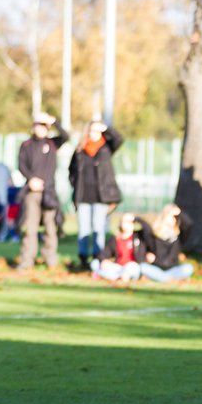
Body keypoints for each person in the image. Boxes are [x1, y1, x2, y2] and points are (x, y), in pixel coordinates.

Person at [69, 120, 124, 271]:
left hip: (101, 196)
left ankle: (98, 257)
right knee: (84, 229)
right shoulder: (80, 149)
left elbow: (119, 139)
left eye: (97, 131)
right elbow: (71, 170)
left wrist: (106, 128)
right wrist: (75, 184)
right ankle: (83, 259)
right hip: (83, 196)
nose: (94, 134)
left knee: (98, 228)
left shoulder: (106, 147)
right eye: (92, 131)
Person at [16, 112, 69, 271]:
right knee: (30, 228)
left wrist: (53, 121)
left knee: (50, 228)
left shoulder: (53, 144)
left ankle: (50, 260)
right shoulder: (26, 145)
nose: (41, 129)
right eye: (38, 125)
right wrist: (31, 179)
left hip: (49, 193)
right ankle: (27, 260)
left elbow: (66, 135)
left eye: (44, 126)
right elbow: (21, 165)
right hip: (32, 192)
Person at [139, 204, 195, 284]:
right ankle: (169, 280)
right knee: (143, 267)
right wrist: (136, 218)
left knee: (188, 268)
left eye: (176, 218)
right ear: (164, 216)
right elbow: (144, 226)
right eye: (172, 216)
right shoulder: (154, 235)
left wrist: (179, 213)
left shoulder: (178, 237)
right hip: (156, 269)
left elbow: (188, 225)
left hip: (173, 270)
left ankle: (164, 279)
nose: (174, 220)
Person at [94, 212, 148, 283]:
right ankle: (119, 277)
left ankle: (113, 276)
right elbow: (104, 253)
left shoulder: (139, 236)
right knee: (95, 264)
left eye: (131, 222)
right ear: (121, 223)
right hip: (118, 267)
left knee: (132, 267)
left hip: (132, 266)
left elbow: (148, 230)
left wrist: (137, 219)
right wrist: (103, 260)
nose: (128, 224)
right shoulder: (115, 239)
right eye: (126, 221)